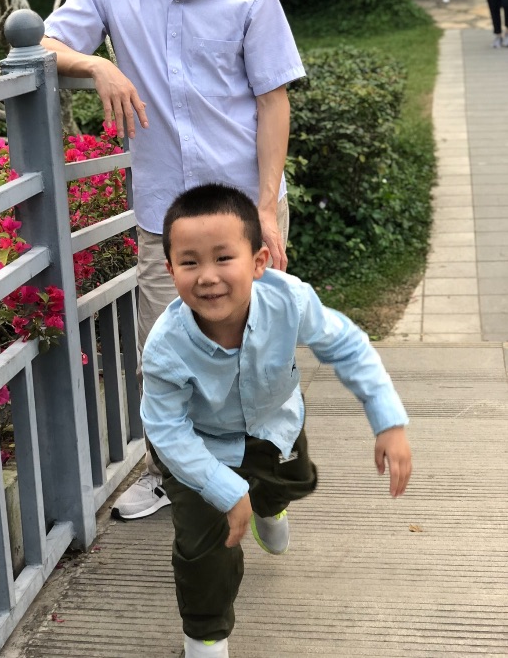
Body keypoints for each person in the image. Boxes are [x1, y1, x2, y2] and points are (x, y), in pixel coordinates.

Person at [41, 0, 306, 520]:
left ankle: (263, 475)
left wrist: (266, 208)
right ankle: (176, 477)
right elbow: (41, 46)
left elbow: (273, 102)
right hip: (165, 216)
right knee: (165, 355)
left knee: (255, 353)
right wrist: (97, 65)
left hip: (243, 211)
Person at [140, 183, 412, 658]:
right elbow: (166, 428)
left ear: (259, 261)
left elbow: (347, 346)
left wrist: (387, 421)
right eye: (190, 262)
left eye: (224, 258)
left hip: (274, 425)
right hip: (199, 446)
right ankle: (205, 639)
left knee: (295, 480)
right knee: (202, 546)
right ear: (170, 270)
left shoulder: (289, 300)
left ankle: (271, 503)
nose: (208, 277)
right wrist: (224, 489)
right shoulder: (166, 346)